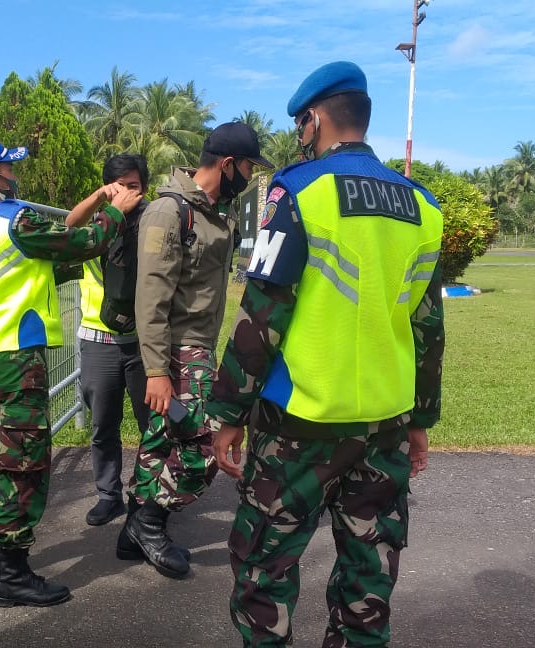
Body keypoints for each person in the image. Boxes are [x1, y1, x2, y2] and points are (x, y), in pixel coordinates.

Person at [207, 61, 445, 647]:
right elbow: (428, 328)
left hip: (299, 427)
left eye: (301, 125)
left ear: (313, 119)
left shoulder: (298, 192)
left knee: (265, 572)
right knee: (368, 579)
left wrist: (228, 414)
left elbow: (263, 314)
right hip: (385, 424)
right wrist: (422, 419)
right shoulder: (424, 207)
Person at [0, 136, 139, 607]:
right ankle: (13, 573)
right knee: (23, 464)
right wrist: (116, 208)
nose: (16, 176)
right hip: (16, 359)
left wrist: (96, 199)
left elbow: (14, 272)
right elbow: (88, 240)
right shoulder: (15, 219)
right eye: (9, 169)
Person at [119, 122, 272, 579]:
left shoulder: (211, 211)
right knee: (204, 447)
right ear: (227, 164)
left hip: (196, 348)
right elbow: (151, 295)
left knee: (160, 440)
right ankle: (150, 522)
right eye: (247, 166)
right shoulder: (171, 211)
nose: (249, 176)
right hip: (174, 352)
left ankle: (133, 531)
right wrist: (155, 371)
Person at [63, 153, 152, 527]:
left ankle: (149, 500)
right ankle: (108, 495)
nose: (128, 194)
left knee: (153, 425)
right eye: (120, 186)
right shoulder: (98, 225)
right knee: (103, 424)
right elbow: (68, 226)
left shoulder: (153, 219)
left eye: (134, 186)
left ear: (144, 188)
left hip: (144, 341)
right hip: (99, 340)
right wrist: (103, 199)